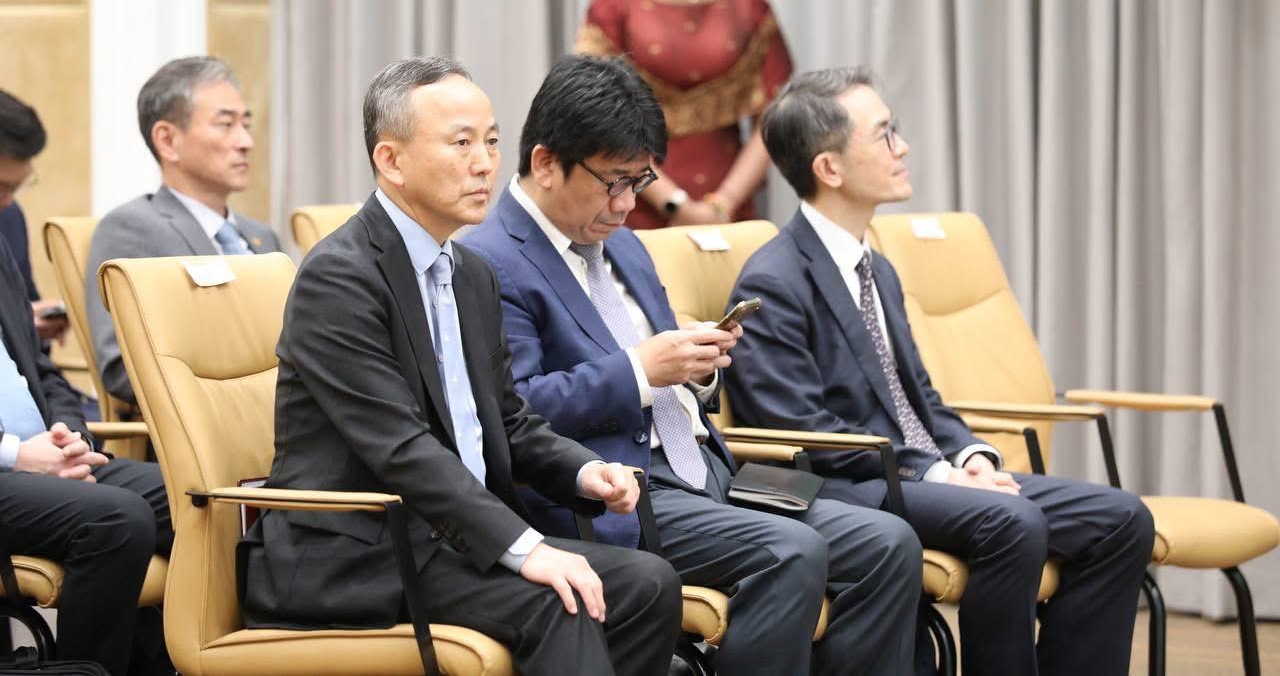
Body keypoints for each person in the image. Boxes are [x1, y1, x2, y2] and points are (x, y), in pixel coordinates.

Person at [465, 55, 921, 676]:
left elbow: (665, 371)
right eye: (613, 182)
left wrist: (699, 367)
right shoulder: (490, 261)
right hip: (616, 492)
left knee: (888, 542)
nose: (627, 204)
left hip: (707, 470)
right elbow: (515, 410)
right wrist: (640, 370)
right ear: (546, 163)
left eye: (641, 181)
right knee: (790, 552)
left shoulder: (624, 244)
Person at [240, 57, 683, 676]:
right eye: (461, 143)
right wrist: (525, 549)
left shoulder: (471, 273)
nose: (485, 164)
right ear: (391, 161)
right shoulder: (339, 277)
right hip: (361, 552)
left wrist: (586, 471)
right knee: (562, 601)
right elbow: (400, 447)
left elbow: (507, 418)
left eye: (492, 141)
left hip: (451, 539)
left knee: (648, 585)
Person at [726, 67, 1156, 675]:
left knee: (1121, 519)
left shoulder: (876, 268)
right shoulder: (775, 279)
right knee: (1011, 520)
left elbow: (918, 397)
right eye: (884, 134)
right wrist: (937, 473)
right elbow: (798, 430)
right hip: (849, 484)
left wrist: (970, 455)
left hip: (922, 473)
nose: (902, 148)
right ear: (829, 168)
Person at [574, 0, 793, 229]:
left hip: (730, 213)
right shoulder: (614, 13)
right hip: (633, 205)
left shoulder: (750, 11)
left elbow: (771, 120)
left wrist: (723, 204)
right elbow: (598, 120)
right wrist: (674, 204)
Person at [0, 235, 172, 675]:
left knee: (197, 498)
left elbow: (42, 370)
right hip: (8, 467)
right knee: (118, 517)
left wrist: (72, 437)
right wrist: (16, 454)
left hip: (47, 455)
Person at [85, 57, 281, 405]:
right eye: (225, 125)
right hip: (212, 423)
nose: (245, 141)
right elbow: (122, 367)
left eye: (246, 124)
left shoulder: (262, 237)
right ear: (168, 140)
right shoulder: (133, 229)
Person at [0, 90, 70, 345]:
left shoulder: (9, 218)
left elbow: (25, 299)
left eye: (15, 187)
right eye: (1, 187)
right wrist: (14, 327)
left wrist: (29, 321)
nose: (7, 200)